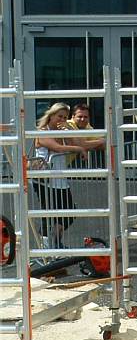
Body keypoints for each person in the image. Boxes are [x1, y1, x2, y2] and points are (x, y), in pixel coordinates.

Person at [32, 102, 87, 248]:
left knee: (68, 211)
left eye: (65, 117)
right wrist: (80, 148)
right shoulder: (43, 131)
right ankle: (45, 247)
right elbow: (57, 148)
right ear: (51, 116)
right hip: (44, 178)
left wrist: (69, 130)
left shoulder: (61, 130)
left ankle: (55, 242)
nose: (62, 120)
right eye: (59, 116)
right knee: (48, 212)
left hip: (60, 177)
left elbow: (72, 143)